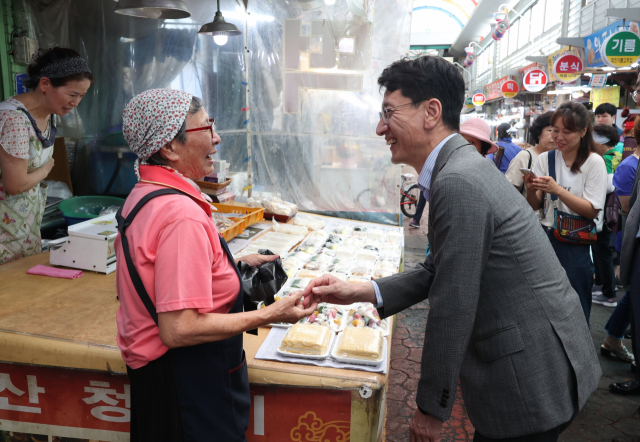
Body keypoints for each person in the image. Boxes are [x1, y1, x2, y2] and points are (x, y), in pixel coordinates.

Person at [304, 56, 600, 442]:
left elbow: (454, 300)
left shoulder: (457, 181)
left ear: (431, 112)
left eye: (389, 113)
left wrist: (431, 408)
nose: (380, 128)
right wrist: (362, 291)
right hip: (540, 356)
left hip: (528, 375)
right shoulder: (459, 168)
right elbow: (441, 268)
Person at [116, 89, 317, 442]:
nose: (217, 137)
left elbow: (159, 271)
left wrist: (229, 263)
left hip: (165, 381)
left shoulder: (145, 192)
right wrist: (271, 314)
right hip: (186, 385)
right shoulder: (180, 215)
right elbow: (178, 329)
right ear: (170, 148)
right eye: (206, 127)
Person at [0, 48, 92, 264]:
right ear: (44, 84)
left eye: (82, 96)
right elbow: (15, 184)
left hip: (26, 227)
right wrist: (45, 169)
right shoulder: (13, 120)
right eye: (72, 94)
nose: (76, 102)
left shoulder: (51, 114)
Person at [525, 102, 608, 324]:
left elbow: (591, 210)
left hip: (575, 244)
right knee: (542, 305)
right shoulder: (545, 159)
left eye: (567, 131)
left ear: (583, 132)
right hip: (544, 238)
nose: (558, 137)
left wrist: (557, 190)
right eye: (554, 130)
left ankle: (578, 354)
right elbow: (535, 205)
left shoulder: (594, 163)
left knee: (576, 305)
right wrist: (531, 190)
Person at [591, 124, 623, 308]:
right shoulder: (619, 151)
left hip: (604, 211)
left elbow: (610, 185)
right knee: (603, 249)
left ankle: (609, 294)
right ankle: (603, 285)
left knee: (603, 251)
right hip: (614, 212)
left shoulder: (606, 157)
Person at [505, 111, 555, 198]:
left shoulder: (562, 158)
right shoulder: (525, 157)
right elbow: (508, 191)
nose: (555, 136)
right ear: (539, 133)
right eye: (550, 130)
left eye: (560, 131)